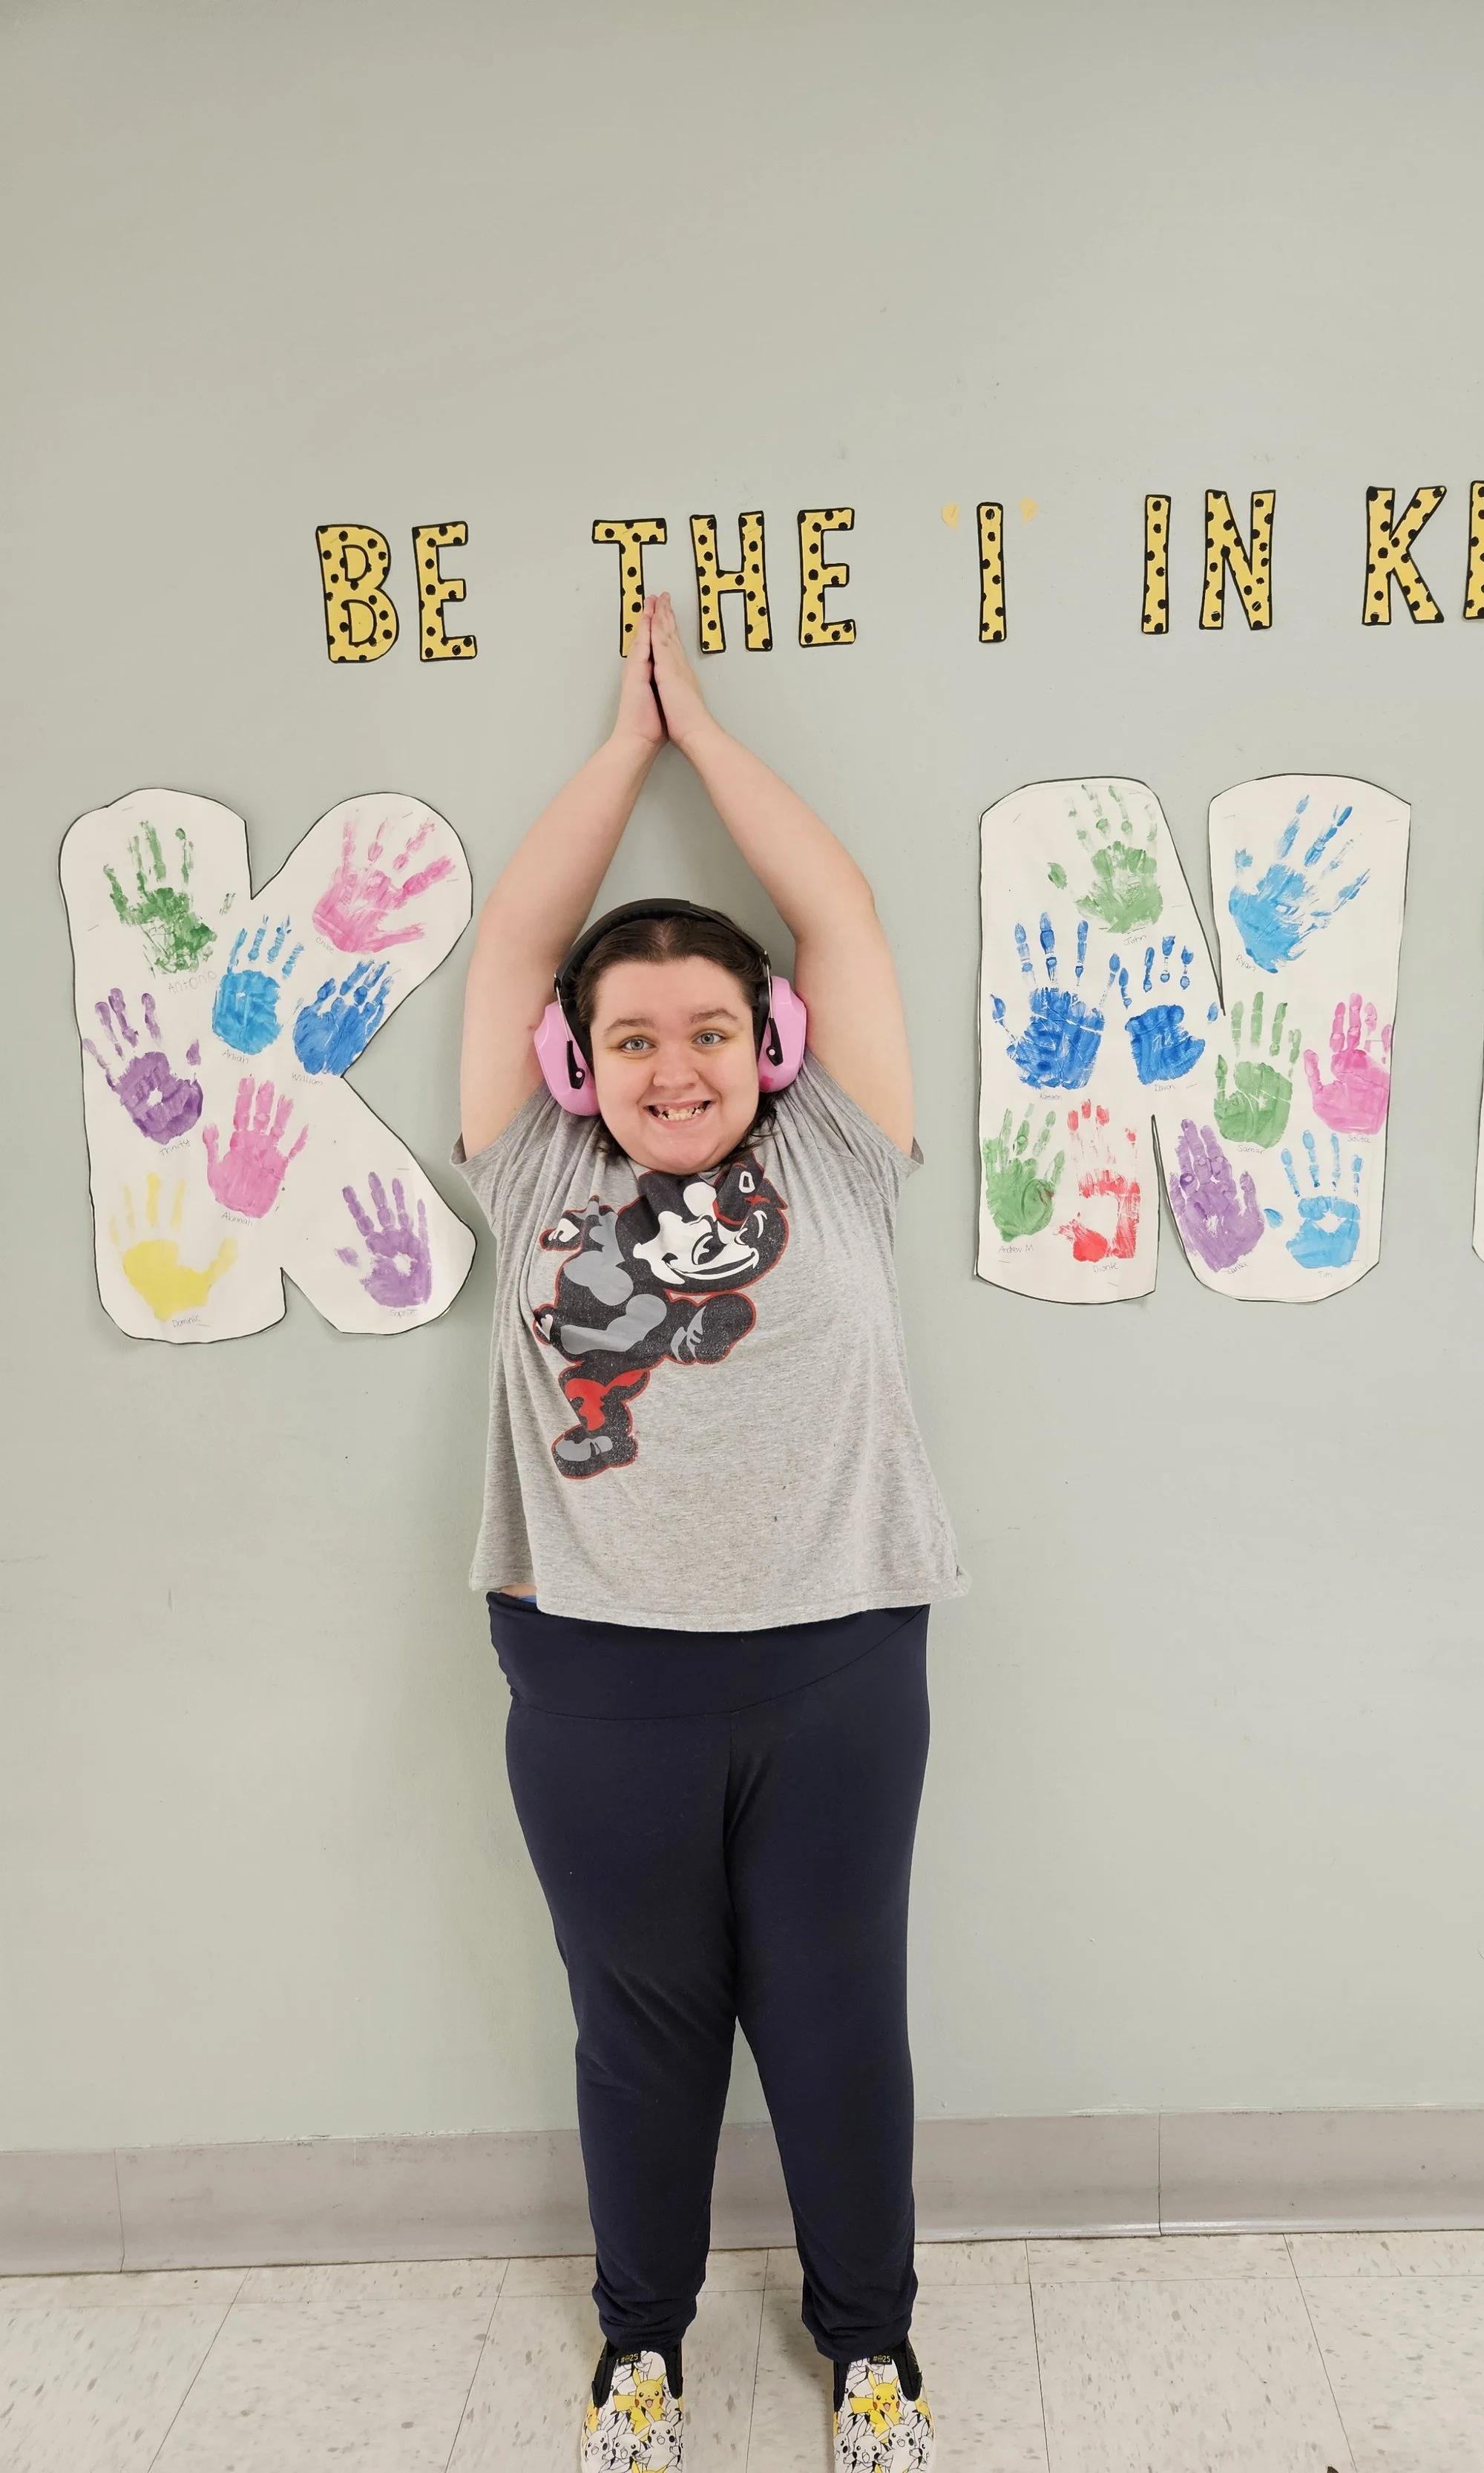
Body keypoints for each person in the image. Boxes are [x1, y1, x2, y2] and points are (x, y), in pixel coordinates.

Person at [456, 592, 964, 2473]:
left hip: (840, 1659)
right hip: (593, 1680)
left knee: (837, 2018)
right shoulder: (539, 1168)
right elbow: (516, 933)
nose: (678, 1065)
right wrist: (617, 755)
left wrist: (706, 736)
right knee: (641, 2032)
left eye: (714, 1029)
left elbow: (839, 916)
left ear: (776, 1042)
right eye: (633, 1035)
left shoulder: (836, 1149)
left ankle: (874, 2351)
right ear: (575, 1063)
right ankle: (638, 2349)